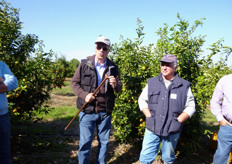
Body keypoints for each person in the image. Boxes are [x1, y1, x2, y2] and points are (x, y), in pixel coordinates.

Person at [71, 36, 122, 164]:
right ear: (95, 48)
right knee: (85, 142)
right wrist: (84, 95)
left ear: (108, 50)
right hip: (87, 111)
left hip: (105, 112)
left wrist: (115, 84)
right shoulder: (84, 64)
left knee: (104, 142)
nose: (101, 51)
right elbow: (74, 84)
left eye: (104, 48)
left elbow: (119, 89)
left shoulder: (113, 67)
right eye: (98, 47)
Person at [138, 54, 196, 164]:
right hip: (152, 127)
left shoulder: (184, 86)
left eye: (168, 65)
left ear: (175, 67)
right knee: (145, 158)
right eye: (162, 64)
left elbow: (191, 106)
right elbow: (142, 100)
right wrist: (148, 115)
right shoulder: (152, 83)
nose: (164, 67)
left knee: (168, 159)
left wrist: (179, 120)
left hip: (172, 129)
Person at [210, 74, 232, 164]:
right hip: (228, 126)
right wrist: (220, 119)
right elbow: (215, 101)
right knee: (221, 156)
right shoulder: (226, 80)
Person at [0, 61, 18, 164]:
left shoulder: (1, 65)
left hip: (2, 116)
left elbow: (13, 82)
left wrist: (3, 83)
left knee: (4, 153)